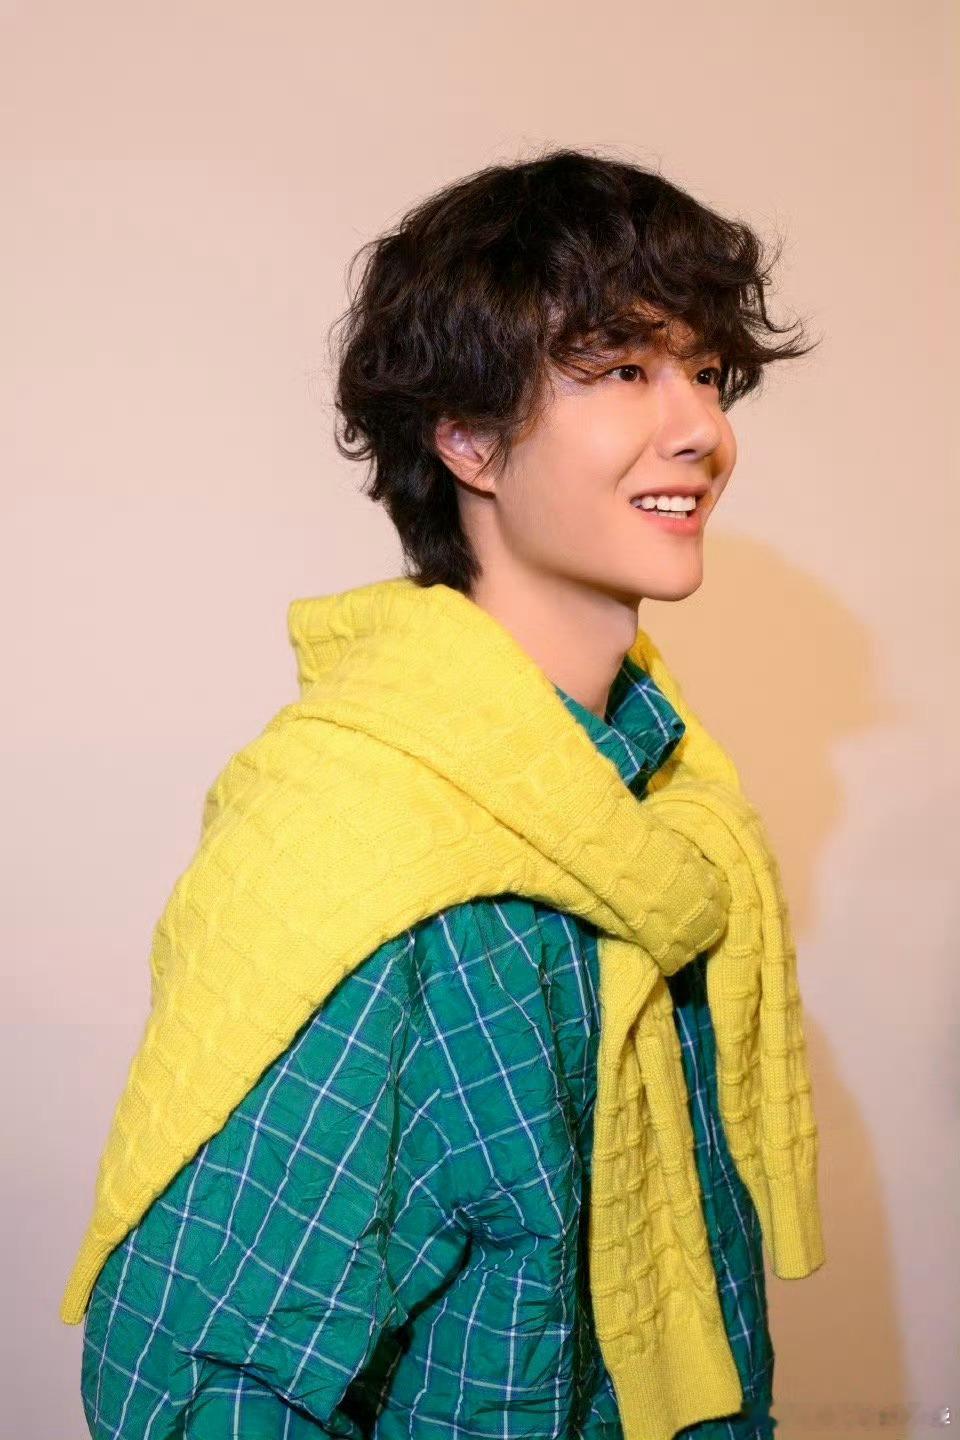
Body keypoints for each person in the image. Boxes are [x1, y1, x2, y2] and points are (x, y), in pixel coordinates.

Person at [70, 146, 823, 1439]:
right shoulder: (363, 843)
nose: (702, 428)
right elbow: (198, 1380)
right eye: (623, 370)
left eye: (705, 371)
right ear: (468, 439)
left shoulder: (668, 816)